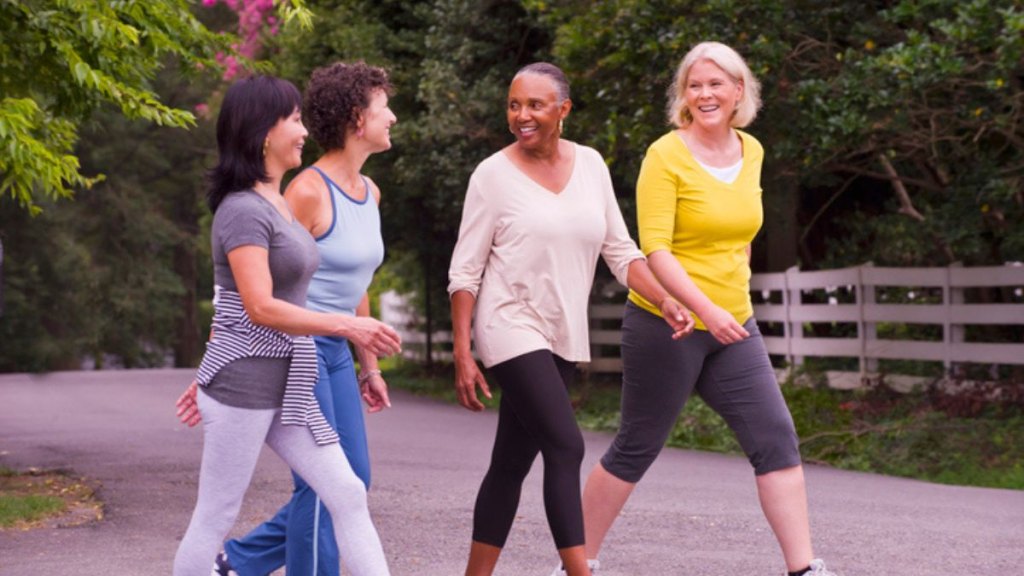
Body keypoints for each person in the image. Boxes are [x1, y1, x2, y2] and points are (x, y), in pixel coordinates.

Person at [578, 42, 837, 576]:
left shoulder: (753, 151)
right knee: (636, 446)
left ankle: (803, 568)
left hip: (733, 322)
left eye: (717, 83)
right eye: (694, 85)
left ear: (739, 90)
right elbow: (657, 250)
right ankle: (575, 563)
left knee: (775, 438)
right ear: (684, 96)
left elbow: (738, 234)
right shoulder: (664, 155)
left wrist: (728, 299)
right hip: (666, 324)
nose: (705, 94)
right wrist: (701, 309)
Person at [448, 62, 694, 576]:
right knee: (566, 444)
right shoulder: (492, 175)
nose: (522, 116)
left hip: (561, 332)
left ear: (564, 109)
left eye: (535, 105)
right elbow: (465, 272)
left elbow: (621, 251)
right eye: (514, 105)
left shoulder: (591, 165)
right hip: (507, 324)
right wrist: (462, 351)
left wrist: (665, 299)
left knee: (510, 464)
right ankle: (580, 571)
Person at [171, 74, 399, 576]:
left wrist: (357, 347)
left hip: (289, 381)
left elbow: (249, 302)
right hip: (245, 388)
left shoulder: (275, 202)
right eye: (293, 120)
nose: (303, 130)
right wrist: (351, 327)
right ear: (262, 132)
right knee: (215, 516)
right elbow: (258, 306)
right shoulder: (241, 211)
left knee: (346, 491)